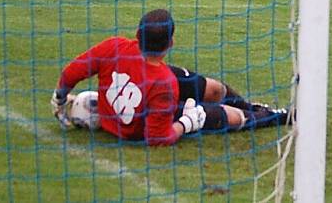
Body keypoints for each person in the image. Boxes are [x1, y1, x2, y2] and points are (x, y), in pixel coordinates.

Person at [51, 9, 288, 145]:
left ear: (137, 34)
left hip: (138, 96)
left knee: (213, 90)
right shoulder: (165, 83)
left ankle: (252, 106)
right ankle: (276, 117)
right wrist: (187, 123)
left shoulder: (114, 46)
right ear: (171, 43)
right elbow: (158, 137)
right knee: (229, 117)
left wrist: (60, 98)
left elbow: (72, 71)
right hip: (143, 118)